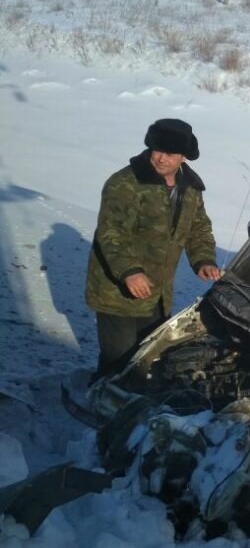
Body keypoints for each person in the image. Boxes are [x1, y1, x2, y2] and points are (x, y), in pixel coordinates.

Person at [85, 119, 221, 375]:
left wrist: (204, 260)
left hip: (157, 293)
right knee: (120, 361)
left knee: (149, 358)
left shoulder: (190, 188)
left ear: (183, 157)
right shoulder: (124, 183)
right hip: (118, 292)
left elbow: (198, 228)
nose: (161, 158)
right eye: (157, 150)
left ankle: (138, 408)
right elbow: (111, 231)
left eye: (170, 153)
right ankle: (103, 406)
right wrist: (129, 271)